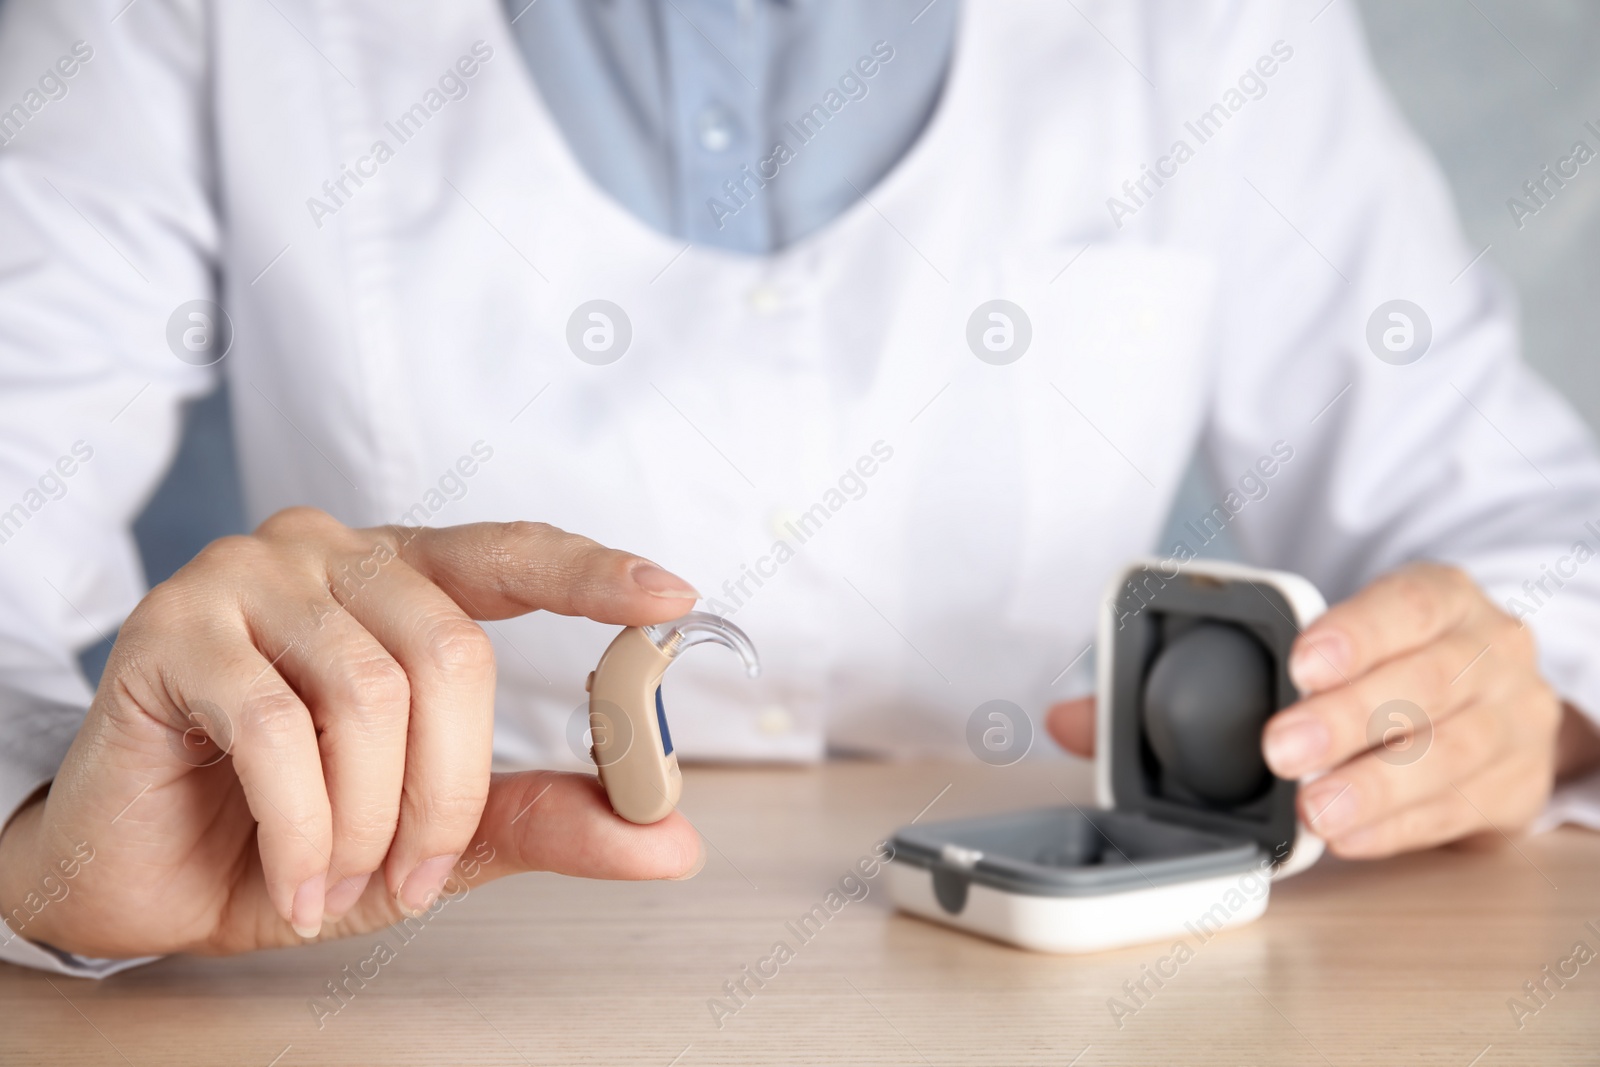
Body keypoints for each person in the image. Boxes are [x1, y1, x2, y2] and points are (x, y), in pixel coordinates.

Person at [1, 0, 1598, 977]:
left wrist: (1518, 693)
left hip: (1045, 1016)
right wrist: (37, 828)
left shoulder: (1207, 22)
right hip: (397, 968)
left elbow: (1535, 540)